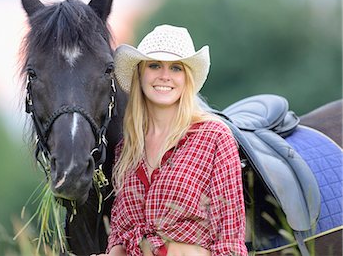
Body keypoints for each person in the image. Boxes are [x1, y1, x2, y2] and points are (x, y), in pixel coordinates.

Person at [93, 24, 247, 256]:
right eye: (154, 65)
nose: (165, 76)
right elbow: (119, 234)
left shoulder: (214, 137)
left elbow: (230, 242)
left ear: (186, 78)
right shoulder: (127, 148)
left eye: (176, 68)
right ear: (140, 74)